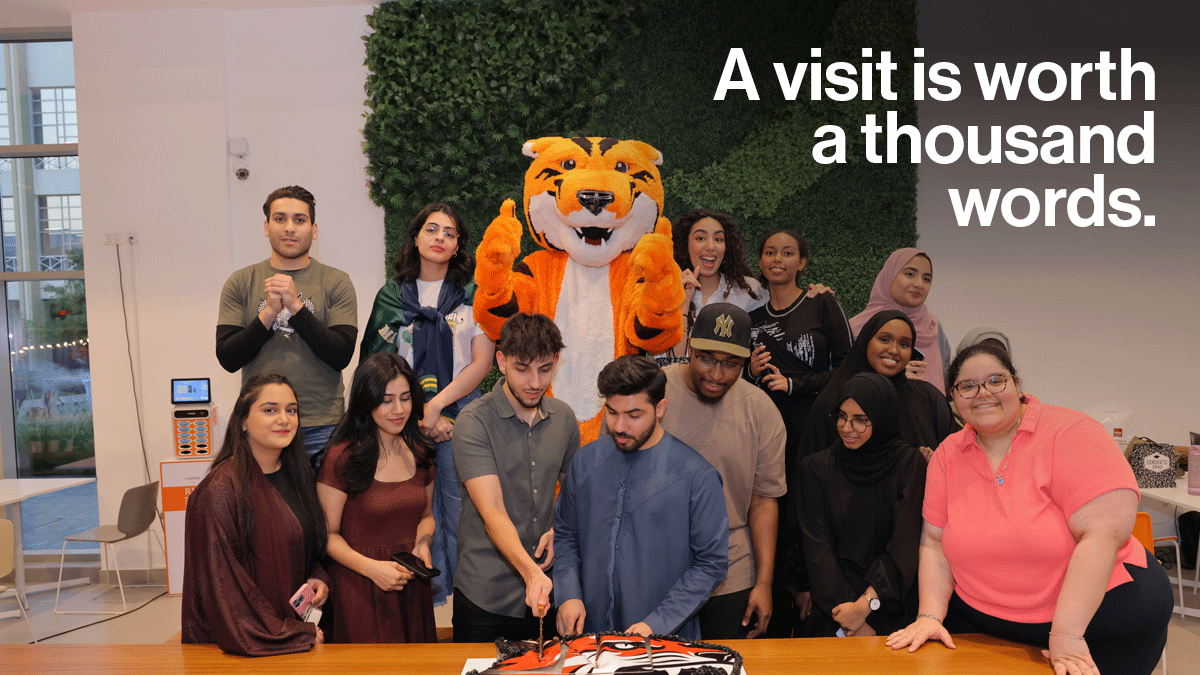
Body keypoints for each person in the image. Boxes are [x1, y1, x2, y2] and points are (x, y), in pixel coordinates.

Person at [887, 342, 1173, 675]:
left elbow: (1103, 536)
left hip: (1096, 623)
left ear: (1017, 384)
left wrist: (1067, 635)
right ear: (953, 397)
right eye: (967, 386)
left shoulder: (1072, 432)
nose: (983, 393)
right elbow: (934, 543)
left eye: (996, 380)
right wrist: (930, 616)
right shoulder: (948, 454)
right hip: (984, 624)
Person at [359, 202, 495, 607]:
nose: (440, 238)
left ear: (458, 246)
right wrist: (418, 413)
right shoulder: (391, 295)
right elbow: (377, 362)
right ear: (415, 237)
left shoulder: (475, 294)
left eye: (449, 233)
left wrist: (438, 408)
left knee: (460, 509)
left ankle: (466, 601)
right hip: (401, 416)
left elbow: (482, 362)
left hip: (462, 411)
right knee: (413, 511)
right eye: (432, 229)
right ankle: (425, 603)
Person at [554, 355, 728, 640]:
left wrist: (657, 624)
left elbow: (711, 564)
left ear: (660, 408)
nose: (620, 426)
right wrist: (569, 594)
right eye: (611, 412)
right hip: (589, 635)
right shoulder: (585, 463)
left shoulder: (697, 476)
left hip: (663, 639)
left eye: (634, 416)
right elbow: (565, 535)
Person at [747, 229, 852, 637]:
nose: (778, 259)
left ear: (802, 263)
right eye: (770, 252)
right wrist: (750, 373)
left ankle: (814, 601)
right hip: (768, 437)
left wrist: (796, 385)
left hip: (814, 431)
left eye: (788, 253)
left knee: (811, 514)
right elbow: (733, 382)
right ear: (761, 262)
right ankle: (770, 599)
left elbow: (848, 367)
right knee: (771, 508)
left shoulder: (822, 303)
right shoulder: (753, 321)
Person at [659, 302, 786, 639]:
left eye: (731, 365)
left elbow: (764, 501)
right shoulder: (651, 391)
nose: (716, 375)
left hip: (731, 573)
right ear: (689, 345)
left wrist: (764, 583)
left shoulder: (762, 412)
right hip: (656, 567)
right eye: (706, 359)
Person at [452, 313, 580, 643]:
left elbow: (573, 495)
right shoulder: (473, 422)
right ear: (501, 361)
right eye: (522, 368)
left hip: (546, 594)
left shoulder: (564, 418)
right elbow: (492, 512)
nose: (535, 382)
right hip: (486, 596)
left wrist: (558, 527)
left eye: (545, 369)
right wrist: (532, 573)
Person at [182, 373, 329, 656]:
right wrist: (291, 633)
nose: (284, 419)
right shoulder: (219, 491)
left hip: (297, 637)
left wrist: (318, 576)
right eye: (270, 410)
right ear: (242, 421)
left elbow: (309, 544)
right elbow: (224, 587)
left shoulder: (299, 477)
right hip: (245, 648)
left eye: (291, 410)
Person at [216, 186, 358, 459]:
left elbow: (340, 354)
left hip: (322, 423)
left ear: (314, 230)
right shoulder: (241, 281)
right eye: (280, 219)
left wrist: (295, 307)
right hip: (261, 425)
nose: (290, 228)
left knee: (320, 504)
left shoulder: (336, 281)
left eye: (299, 220)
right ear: (267, 227)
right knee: (263, 503)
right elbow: (229, 358)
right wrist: (269, 313)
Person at [316, 353, 437, 643]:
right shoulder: (342, 458)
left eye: (406, 398)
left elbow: (426, 517)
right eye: (386, 400)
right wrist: (372, 569)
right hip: (359, 587)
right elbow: (327, 536)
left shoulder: (421, 454)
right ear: (365, 401)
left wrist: (422, 543)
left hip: (411, 584)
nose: (399, 409)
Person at [799, 372, 925, 638]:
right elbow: (817, 548)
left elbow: (905, 542)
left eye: (860, 420)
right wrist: (851, 618)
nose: (847, 428)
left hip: (894, 611)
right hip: (835, 613)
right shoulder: (816, 468)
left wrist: (865, 605)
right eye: (842, 416)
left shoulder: (908, 464)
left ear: (881, 420)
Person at [797, 309, 957, 464]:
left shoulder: (928, 398)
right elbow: (811, 471)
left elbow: (956, 457)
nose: (894, 350)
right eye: (884, 340)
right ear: (866, 341)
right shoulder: (833, 401)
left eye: (904, 344)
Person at [654, 209, 764, 366]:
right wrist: (683, 303)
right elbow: (673, 363)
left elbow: (784, 308)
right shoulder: (662, 291)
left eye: (718, 239)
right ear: (685, 244)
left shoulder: (748, 290)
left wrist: (812, 296)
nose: (711, 246)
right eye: (700, 238)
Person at [848, 248, 950, 391]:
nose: (919, 284)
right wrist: (893, 374)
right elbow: (843, 380)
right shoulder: (859, 328)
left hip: (929, 410)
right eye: (910, 274)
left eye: (926, 279)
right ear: (890, 275)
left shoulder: (933, 328)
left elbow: (945, 377)